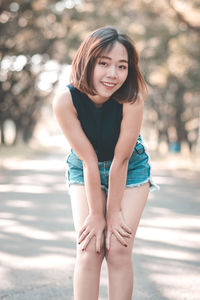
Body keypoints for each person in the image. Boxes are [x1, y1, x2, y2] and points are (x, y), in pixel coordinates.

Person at [53, 26, 159, 300]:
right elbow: (88, 159)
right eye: (104, 63)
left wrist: (112, 213)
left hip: (130, 168)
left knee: (119, 247)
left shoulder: (131, 99)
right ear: (87, 61)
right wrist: (97, 215)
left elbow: (121, 159)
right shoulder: (65, 101)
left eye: (122, 66)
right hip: (84, 167)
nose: (113, 74)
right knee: (90, 248)